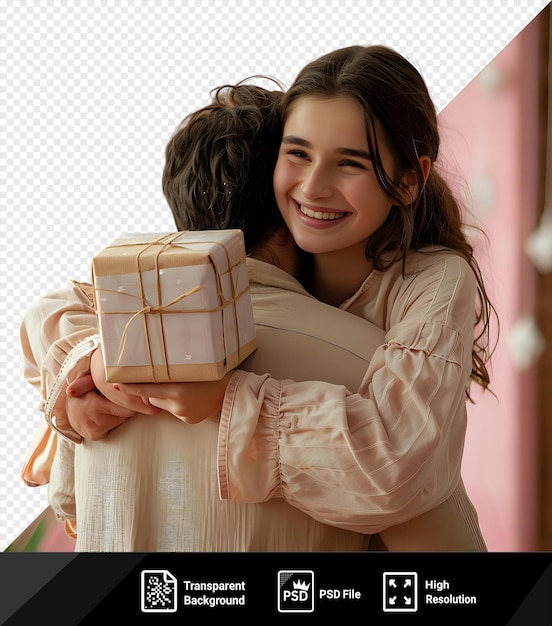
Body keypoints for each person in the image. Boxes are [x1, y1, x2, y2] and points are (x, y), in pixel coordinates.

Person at [20, 48, 490, 550]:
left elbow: (396, 463)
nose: (313, 187)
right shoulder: (204, 277)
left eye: (349, 163)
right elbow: (57, 308)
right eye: (298, 153)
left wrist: (225, 398)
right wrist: (89, 368)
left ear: (408, 179)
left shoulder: (433, 283)